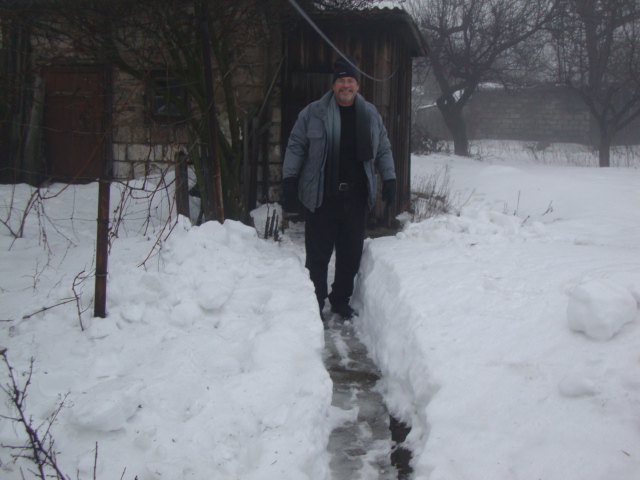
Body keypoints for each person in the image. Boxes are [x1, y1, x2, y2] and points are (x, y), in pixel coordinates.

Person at [281, 54, 396, 320]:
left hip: (356, 197)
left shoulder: (369, 114)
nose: (346, 86)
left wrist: (389, 179)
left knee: (350, 256)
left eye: (350, 81)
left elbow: (384, 148)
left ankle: (341, 299)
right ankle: (316, 302)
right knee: (318, 257)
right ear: (333, 85)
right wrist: (289, 179)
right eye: (341, 81)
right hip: (323, 196)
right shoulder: (313, 113)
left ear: (358, 85)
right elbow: (296, 146)